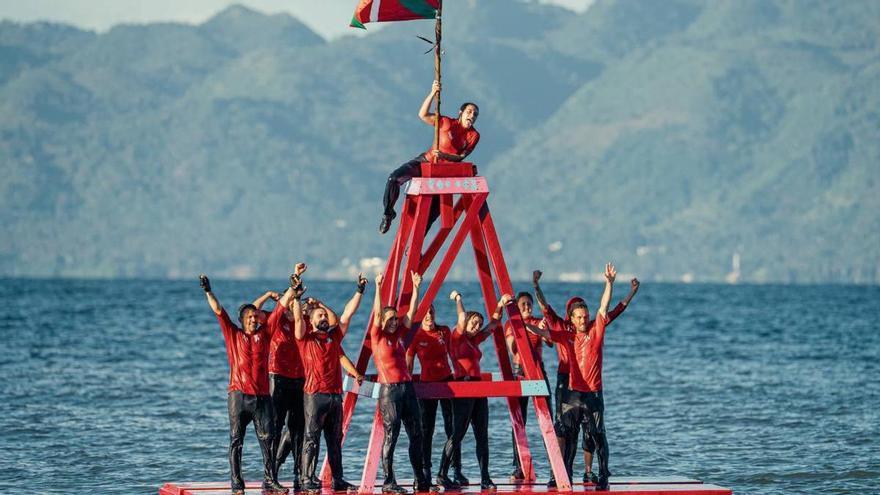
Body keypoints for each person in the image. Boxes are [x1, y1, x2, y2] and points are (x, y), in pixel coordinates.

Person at [534, 270, 639, 484]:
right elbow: (544, 321)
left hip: (591, 389)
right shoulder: (563, 329)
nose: (583, 319)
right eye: (578, 315)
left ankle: (598, 473)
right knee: (565, 431)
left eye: (585, 315)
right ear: (570, 315)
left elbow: (610, 309)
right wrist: (534, 291)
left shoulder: (594, 329)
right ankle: (562, 474)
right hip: (568, 384)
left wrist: (623, 289)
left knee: (595, 432)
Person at [199, 274, 287, 495]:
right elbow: (219, 311)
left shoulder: (265, 334)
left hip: (262, 397)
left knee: (268, 440)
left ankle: (271, 480)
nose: (252, 319)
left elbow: (278, 311)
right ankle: (237, 485)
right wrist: (208, 291)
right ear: (241, 319)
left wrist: (293, 288)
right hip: (238, 396)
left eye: (254, 316)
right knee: (236, 440)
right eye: (248, 317)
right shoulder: (233, 334)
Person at [290, 267, 365, 493]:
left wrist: (359, 290)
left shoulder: (334, 337)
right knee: (311, 439)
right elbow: (297, 318)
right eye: (319, 316)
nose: (324, 318)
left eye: (324, 315)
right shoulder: (305, 338)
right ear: (311, 321)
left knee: (335, 440)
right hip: (314, 395)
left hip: (334, 395)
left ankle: (338, 479)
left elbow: (345, 315)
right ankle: (307, 479)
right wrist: (297, 296)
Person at [379, 80, 480, 234]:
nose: (472, 116)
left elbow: (460, 157)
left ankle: (414, 247)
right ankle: (388, 213)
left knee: (430, 216)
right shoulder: (446, 122)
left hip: (443, 174)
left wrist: (445, 155)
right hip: (426, 162)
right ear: (461, 113)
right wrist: (433, 92)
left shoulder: (473, 135)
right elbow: (423, 114)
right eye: (469, 112)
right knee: (394, 179)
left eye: (475, 114)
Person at [437, 290, 512, 491]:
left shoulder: (474, 340)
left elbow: (495, 323)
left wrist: (501, 304)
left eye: (479, 323)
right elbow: (461, 317)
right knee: (457, 433)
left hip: (479, 388)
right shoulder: (457, 336)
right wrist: (458, 298)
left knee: (482, 434)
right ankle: (442, 473)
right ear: (466, 323)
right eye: (474, 323)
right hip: (462, 387)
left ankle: (485, 477)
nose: (477, 326)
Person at [371, 272, 439, 494]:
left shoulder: (400, 332)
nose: (393, 322)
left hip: (407, 388)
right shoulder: (378, 335)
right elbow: (378, 313)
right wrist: (379, 287)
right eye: (389, 319)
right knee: (392, 434)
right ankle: (389, 481)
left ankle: (420, 479)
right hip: (389, 391)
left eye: (394, 319)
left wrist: (417, 287)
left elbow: (411, 313)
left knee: (416, 434)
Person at [405, 304, 467, 487]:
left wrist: (462, 375)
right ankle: (426, 472)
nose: (429, 315)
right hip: (426, 386)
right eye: (425, 313)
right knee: (426, 430)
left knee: (452, 428)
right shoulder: (415, 336)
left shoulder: (444, 331)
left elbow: (455, 355)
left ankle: (455, 471)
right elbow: (408, 364)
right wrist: (407, 386)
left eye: (432, 311)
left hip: (447, 383)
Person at [505, 290, 553, 481]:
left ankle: (553, 467)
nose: (527, 307)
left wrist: (541, 329)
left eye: (528, 304)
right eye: (523, 304)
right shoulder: (511, 324)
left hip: (538, 372)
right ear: (517, 306)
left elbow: (549, 343)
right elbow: (513, 348)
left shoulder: (537, 321)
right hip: (519, 373)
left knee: (546, 418)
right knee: (519, 420)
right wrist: (522, 327)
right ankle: (518, 467)